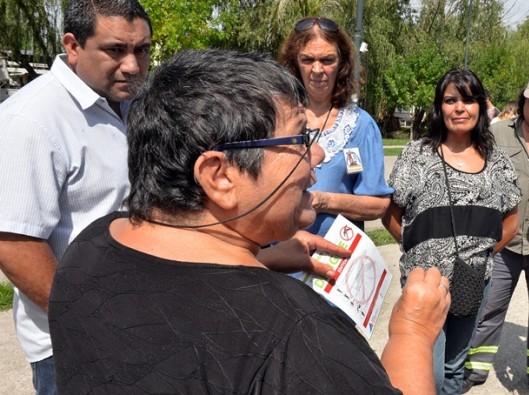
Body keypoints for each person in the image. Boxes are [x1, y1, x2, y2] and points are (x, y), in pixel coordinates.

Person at [48, 49, 450, 394]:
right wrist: (413, 335)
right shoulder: (299, 335)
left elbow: (176, 299)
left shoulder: (91, 246)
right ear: (219, 175)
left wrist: (266, 258)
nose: (317, 159)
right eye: (299, 142)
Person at [0, 1, 151, 392]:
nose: (133, 65)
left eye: (142, 50)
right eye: (115, 50)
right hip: (75, 345)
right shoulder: (31, 120)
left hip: (144, 326)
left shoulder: (134, 106)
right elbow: (14, 244)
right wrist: (90, 323)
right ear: (72, 46)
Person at [383, 69, 521, 394]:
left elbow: (512, 220)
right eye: (450, 100)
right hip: (423, 282)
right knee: (426, 365)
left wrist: (483, 253)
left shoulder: (497, 162)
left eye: (469, 99)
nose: (460, 108)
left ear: (481, 106)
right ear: (439, 107)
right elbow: (393, 214)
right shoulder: (417, 156)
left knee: (454, 367)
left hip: (474, 279)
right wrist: (414, 251)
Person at [463, 72, 529, 395]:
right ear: (523, 102)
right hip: (502, 243)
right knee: (487, 307)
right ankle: (474, 369)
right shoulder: (496, 134)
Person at [279, 16, 392, 235]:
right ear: (294, 63)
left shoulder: (360, 126)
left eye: (327, 60)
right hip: (279, 262)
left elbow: (378, 205)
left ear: (342, 63)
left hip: (337, 263)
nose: (317, 69)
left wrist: (323, 201)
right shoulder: (273, 119)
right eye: (308, 59)